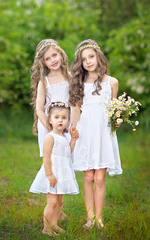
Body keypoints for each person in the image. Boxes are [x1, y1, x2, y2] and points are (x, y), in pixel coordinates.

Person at [69, 39, 123, 229]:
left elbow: (115, 108)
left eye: (91, 57)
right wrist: (73, 129)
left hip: (102, 133)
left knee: (99, 177)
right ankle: (89, 217)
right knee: (88, 177)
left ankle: (99, 217)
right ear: (80, 63)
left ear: (98, 56)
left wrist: (118, 118)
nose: (88, 61)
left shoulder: (112, 82)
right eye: (84, 59)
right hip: (85, 132)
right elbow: (76, 109)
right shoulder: (80, 82)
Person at [29, 102, 79, 236]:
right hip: (52, 173)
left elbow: (67, 152)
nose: (60, 120)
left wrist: (73, 140)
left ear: (68, 120)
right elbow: (46, 158)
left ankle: (54, 224)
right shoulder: (49, 137)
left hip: (63, 172)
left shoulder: (64, 136)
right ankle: (46, 228)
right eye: (57, 117)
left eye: (64, 117)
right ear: (50, 120)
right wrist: (50, 174)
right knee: (52, 202)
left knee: (59, 201)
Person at [30, 39, 70, 158]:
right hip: (50, 123)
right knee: (51, 161)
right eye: (48, 59)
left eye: (54, 55)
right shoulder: (44, 82)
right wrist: (50, 128)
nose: (52, 60)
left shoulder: (70, 77)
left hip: (66, 123)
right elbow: (39, 109)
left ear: (61, 54)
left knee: (67, 159)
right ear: (43, 63)